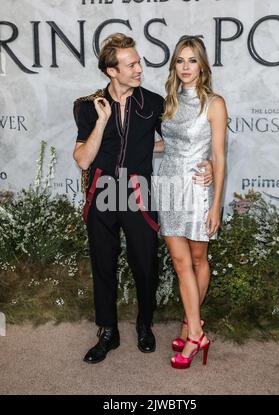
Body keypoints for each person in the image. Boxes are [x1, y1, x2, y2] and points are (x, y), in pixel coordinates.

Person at [72, 33, 214, 364]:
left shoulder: (152, 103)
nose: (139, 68)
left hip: (138, 192)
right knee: (103, 263)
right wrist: (103, 121)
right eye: (131, 64)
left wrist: (204, 160)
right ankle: (107, 331)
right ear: (111, 70)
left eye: (139, 62)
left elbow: (178, 142)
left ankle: (144, 325)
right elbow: (82, 158)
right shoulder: (87, 106)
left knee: (145, 264)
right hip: (103, 191)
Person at [154, 36, 227, 368]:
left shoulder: (214, 103)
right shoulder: (168, 102)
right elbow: (166, 145)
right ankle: (196, 331)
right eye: (180, 61)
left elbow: (220, 157)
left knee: (198, 260)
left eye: (192, 60)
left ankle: (190, 328)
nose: (185, 67)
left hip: (198, 189)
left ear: (202, 65)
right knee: (180, 263)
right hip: (168, 186)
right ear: (174, 66)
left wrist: (216, 206)